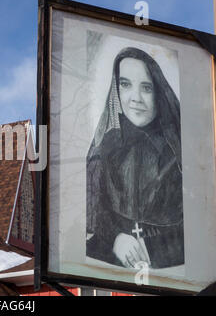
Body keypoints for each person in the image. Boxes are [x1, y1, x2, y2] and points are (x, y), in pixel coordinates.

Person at [86, 47, 184, 269]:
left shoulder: (177, 151)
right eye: (125, 84)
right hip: (109, 264)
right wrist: (116, 239)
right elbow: (92, 209)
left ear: (159, 92)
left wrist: (151, 248)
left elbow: (201, 227)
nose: (135, 98)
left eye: (146, 88)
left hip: (170, 268)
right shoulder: (105, 146)